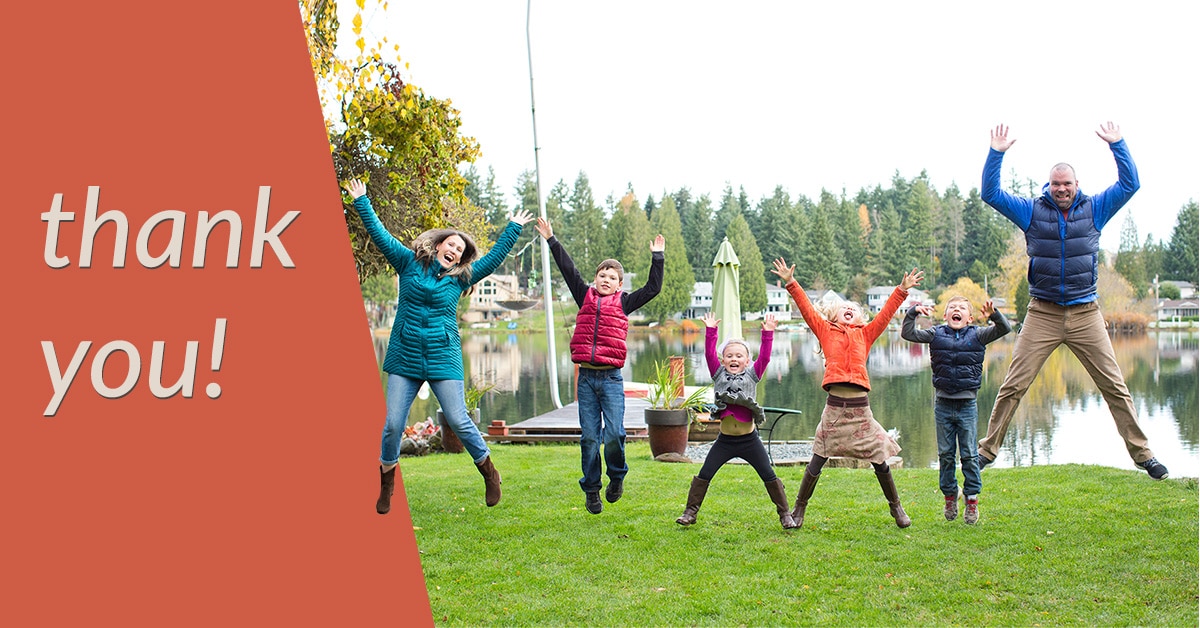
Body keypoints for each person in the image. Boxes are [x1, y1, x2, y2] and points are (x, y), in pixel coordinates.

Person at [977, 123, 1168, 480]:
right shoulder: (1031, 211)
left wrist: (1118, 145)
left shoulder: (1095, 209)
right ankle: (986, 451)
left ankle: (1144, 455)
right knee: (1014, 384)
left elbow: (1130, 184)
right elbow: (990, 193)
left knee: (1114, 385)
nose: (1061, 189)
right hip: (1042, 313)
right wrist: (996, 153)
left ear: (1076, 186)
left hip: (1086, 313)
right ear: (1048, 186)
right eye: (1055, 184)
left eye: (1067, 183)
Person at [343, 179, 534, 514]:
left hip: (443, 356)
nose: (455, 250)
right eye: (451, 244)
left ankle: (490, 472)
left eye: (460, 249)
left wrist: (513, 228)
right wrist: (362, 201)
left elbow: (493, 260)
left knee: (459, 420)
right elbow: (379, 234)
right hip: (404, 355)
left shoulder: (462, 277)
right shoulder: (407, 262)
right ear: (437, 244)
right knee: (391, 425)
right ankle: (387, 483)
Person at [771, 258, 923, 528]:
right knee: (817, 459)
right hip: (835, 409)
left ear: (860, 316)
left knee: (880, 459)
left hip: (861, 410)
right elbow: (806, 309)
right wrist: (791, 282)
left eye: (853, 307)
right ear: (834, 317)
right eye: (844, 308)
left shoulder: (866, 333)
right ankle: (799, 510)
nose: (849, 309)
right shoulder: (825, 330)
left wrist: (902, 289)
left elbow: (886, 313)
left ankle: (896, 508)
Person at [535, 217, 664, 515]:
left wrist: (657, 257)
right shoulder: (584, 297)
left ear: (619, 284)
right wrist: (552, 239)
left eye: (611, 277)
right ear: (595, 280)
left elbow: (654, 288)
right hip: (587, 380)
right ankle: (591, 490)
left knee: (616, 434)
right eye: (601, 275)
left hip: (611, 380)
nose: (605, 279)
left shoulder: (625, 302)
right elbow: (568, 269)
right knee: (590, 438)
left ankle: (616, 477)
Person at [676, 313, 799, 529]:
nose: (734, 359)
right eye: (729, 356)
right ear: (723, 360)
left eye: (739, 356)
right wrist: (711, 331)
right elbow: (708, 354)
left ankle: (785, 514)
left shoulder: (753, 375)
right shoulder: (718, 374)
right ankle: (690, 512)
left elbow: (766, 358)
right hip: (724, 441)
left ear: (747, 360)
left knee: (768, 475)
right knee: (705, 473)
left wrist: (768, 333)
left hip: (749, 440)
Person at [901, 296, 1012, 524]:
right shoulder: (936, 334)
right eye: (952, 308)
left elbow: (1004, 328)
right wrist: (913, 313)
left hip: (967, 405)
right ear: (945, 315)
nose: (956, 310)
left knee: (970, 456)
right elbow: (908, 334)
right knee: (946, 456)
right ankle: (950, 496)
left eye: (961, 308)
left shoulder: (978, 335)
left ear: (969, 318)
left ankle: (971, 500)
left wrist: (994, 315)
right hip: (942, 404)